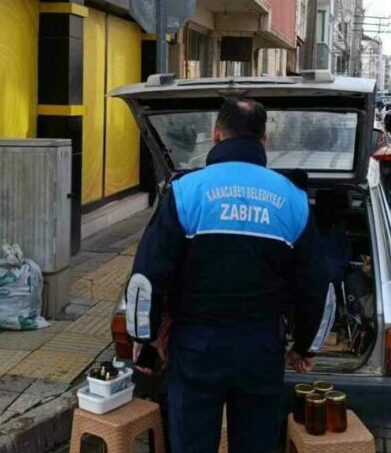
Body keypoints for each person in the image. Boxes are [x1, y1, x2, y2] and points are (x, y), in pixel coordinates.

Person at [125, 99, 334, 453]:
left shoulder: (186, 192)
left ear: (216, 133)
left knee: (191, 443)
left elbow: (147, 276)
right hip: (262, 346)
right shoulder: (293, 199)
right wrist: (305, 346)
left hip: (196, 346)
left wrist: (143, 337)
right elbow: (318, 286)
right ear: (264, 139)